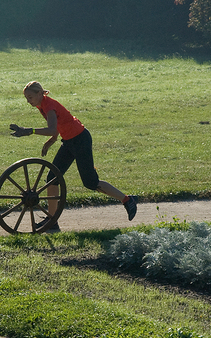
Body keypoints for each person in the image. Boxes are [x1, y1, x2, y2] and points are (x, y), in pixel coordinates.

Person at [10, 81, 137, 232]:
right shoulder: (42, 105)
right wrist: (51, 141)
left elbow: (51, 128)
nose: (28, 101)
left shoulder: (48, 106)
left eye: (30, 97)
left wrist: (29, 131)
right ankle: (52, 221)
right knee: (52, 179)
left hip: (80, 140)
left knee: (90, 182)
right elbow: (56, 126)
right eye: (26, 98)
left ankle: (127, 200)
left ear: (39, 94)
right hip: (69, 142)